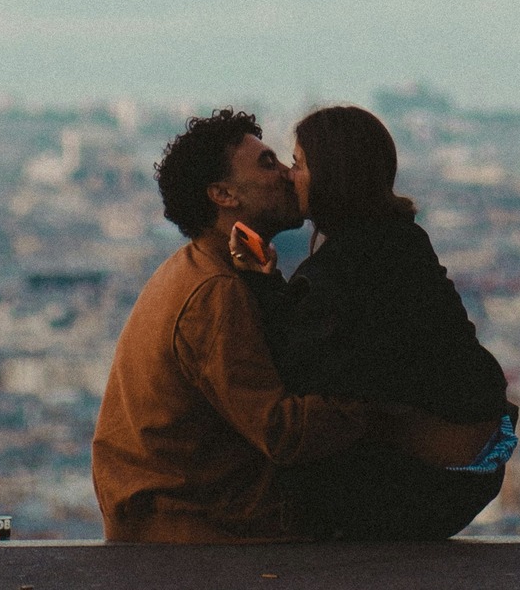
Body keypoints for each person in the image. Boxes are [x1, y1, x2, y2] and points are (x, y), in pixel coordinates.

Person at [230, 104, 516, 540]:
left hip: (424, 480)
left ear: (332, 175)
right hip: (476, 462)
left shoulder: (340, 269)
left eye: (300, 163)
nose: (289, 174)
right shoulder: (401, 240)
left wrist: (263, 291)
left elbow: (297, 374)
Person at [91, 109, 372, 542]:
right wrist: (378, 403)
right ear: (223, 194)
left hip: (169, 523)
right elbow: (280, 432)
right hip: (199, 533)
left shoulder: (198, 270)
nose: (287, 175)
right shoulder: (214, 292)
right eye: (268, 163)